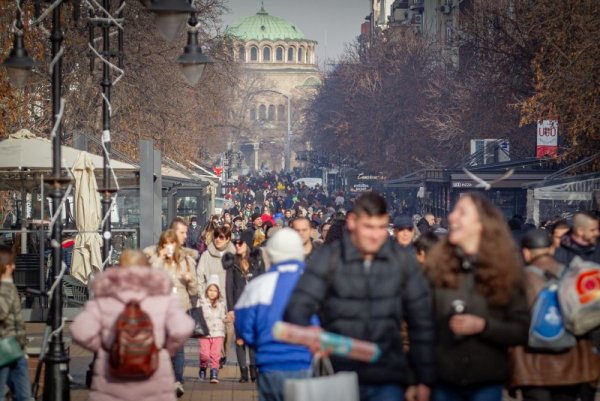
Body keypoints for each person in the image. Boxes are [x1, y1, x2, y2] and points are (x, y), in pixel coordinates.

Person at [284, 192, 436, 401]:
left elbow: (422, 322)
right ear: (353, 222)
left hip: (388, 374)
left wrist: (424, 379)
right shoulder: (329, 258)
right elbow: (296, 308)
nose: (375, 235)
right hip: (339, 373)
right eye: (369, 227)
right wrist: (316, 336)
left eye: (381, 228)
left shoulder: (402, 262)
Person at [424, 192, 529, 401]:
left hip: (487, 382)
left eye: (461, 213)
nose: (452, 217)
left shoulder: (506, 270)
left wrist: (484, 326)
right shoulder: (436, 268)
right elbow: (420, 326)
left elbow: (521, 330)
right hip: (442, 381)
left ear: (482, 224)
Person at [70, 250, 194, 401]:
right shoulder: (161, 294)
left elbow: (79, 330)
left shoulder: (106, 296)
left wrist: (103, 347)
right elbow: (183, 327)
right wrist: (164, 348)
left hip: (112, 380)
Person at [509, 229, 600, 401]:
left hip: (532, 366)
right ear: (552, 249)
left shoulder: (519, 280)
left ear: (526, 253)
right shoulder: (571, 276)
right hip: (570, 363)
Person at [235, 229, 314, 401]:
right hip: (305, 364)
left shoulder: (257, 286)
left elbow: (242, 324)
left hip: (269, 366)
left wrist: (260, 344)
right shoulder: (315, 284)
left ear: (270, 254)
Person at [146, 229, 198, 397]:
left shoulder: (186, 261)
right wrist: (159, 258)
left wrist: (190, 281)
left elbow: (195, 289)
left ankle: (178, 380)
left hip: (179, 309)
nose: (169, 247)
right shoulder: (155, 261)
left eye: (172, 243)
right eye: (165, 244)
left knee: (178, 349)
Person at [223, 230, 265, 382]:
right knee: (240, 339)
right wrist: (230, 309)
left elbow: (263, 282)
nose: (237, 245)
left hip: (254, 306)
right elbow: (228, 286)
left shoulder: (257, 260)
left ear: (247, 244)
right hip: (239, 306)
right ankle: (243, 372)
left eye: (240, 243)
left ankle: (254, 370)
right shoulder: (232, 262)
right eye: (236, 243)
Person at [0, 246, 31, 401]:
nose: (14, 267)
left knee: (24, 395)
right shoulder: (6, 287)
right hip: (3, 349)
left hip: (15, 348)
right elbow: (2, 312)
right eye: (11, 263)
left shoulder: (9, 286)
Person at [199, 275, 228, 384]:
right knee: (204, 354)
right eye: (210, 290)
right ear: (207, 291)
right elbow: (198, 315)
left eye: (215, 291)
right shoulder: (202, 302)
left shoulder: (221, 303)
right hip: (205, 333)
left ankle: (214, 372)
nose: (212, 292)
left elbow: (223, 317)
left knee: (215, 354)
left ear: (218, 292)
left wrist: (228, 319)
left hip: (218, 332)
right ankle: (203, 367)